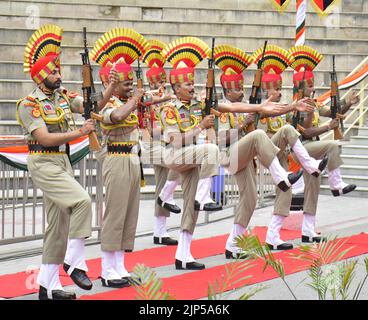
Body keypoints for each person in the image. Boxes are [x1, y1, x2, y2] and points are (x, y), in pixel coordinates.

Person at [213, 44, 318, 257]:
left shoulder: (245, 106)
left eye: (241, 87)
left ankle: (232, 245)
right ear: (225, 91)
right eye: (235, 89)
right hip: (230, 155)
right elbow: (220, 138)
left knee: (249, 200)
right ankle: (282, 176)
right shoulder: (221, 108)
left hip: (248, 157)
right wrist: (243, 125)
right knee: (259, 135)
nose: (240, 92)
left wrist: (292, 107)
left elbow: (270, 112)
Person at [17, 24, 96, 300]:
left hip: (62, 161)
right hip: (43, 161)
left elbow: (91, 106)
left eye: (58, 69)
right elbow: (45, 137)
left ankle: (47, 286)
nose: (58, 74)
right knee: (82, 201)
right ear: (40, 77)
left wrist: (104, 87)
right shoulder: (28, 104)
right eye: (53, 71)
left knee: (58, 225)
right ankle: (75, 262)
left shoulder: (63, 97)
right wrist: (80, 132)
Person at [266, 44, 357, 246]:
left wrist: (348, 103)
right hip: (300, 149)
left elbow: (333, 111)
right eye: (309, 85)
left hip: (312, 152)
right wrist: (327, 127)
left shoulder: (313, 103)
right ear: (300, 88)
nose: (313, 87)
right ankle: (336, 185)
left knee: (312, 189)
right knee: (332, 146)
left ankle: (308, 231)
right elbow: (305, 132)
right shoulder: (294, 108)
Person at [90, 27, 148, 288]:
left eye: (130, 85)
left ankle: (120, 266)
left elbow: (142, 104)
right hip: (116, 159)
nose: (130, 88)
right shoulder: (108, 106)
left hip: (132, 160)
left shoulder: (128, 100)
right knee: (114, 214)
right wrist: (134, 100)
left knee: (129, 214)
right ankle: (106, 269)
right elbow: (116, 118)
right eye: (126, 84)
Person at [160, 37, 222, 270]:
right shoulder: (169, 109)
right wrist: (200, 127)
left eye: (193, 83)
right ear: (176, 88)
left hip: (193, 158)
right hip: (175, 157)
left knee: (190, 208)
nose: (193, 87)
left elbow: (230, 108)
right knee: (211, 149)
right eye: (188, 84)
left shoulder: (198, 105)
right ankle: (203, 197)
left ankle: (183, 255)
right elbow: (175, 141)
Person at [141, 39, 181, 246]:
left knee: (162, 185)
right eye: (156, 83)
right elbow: (149, 129)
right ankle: (167, 198)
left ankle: (160, 231)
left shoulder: (170, 99)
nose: (159, 86)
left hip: (165, 144)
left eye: (161, 82)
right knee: (180, 164)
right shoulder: (147, 98)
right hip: (152, 145)